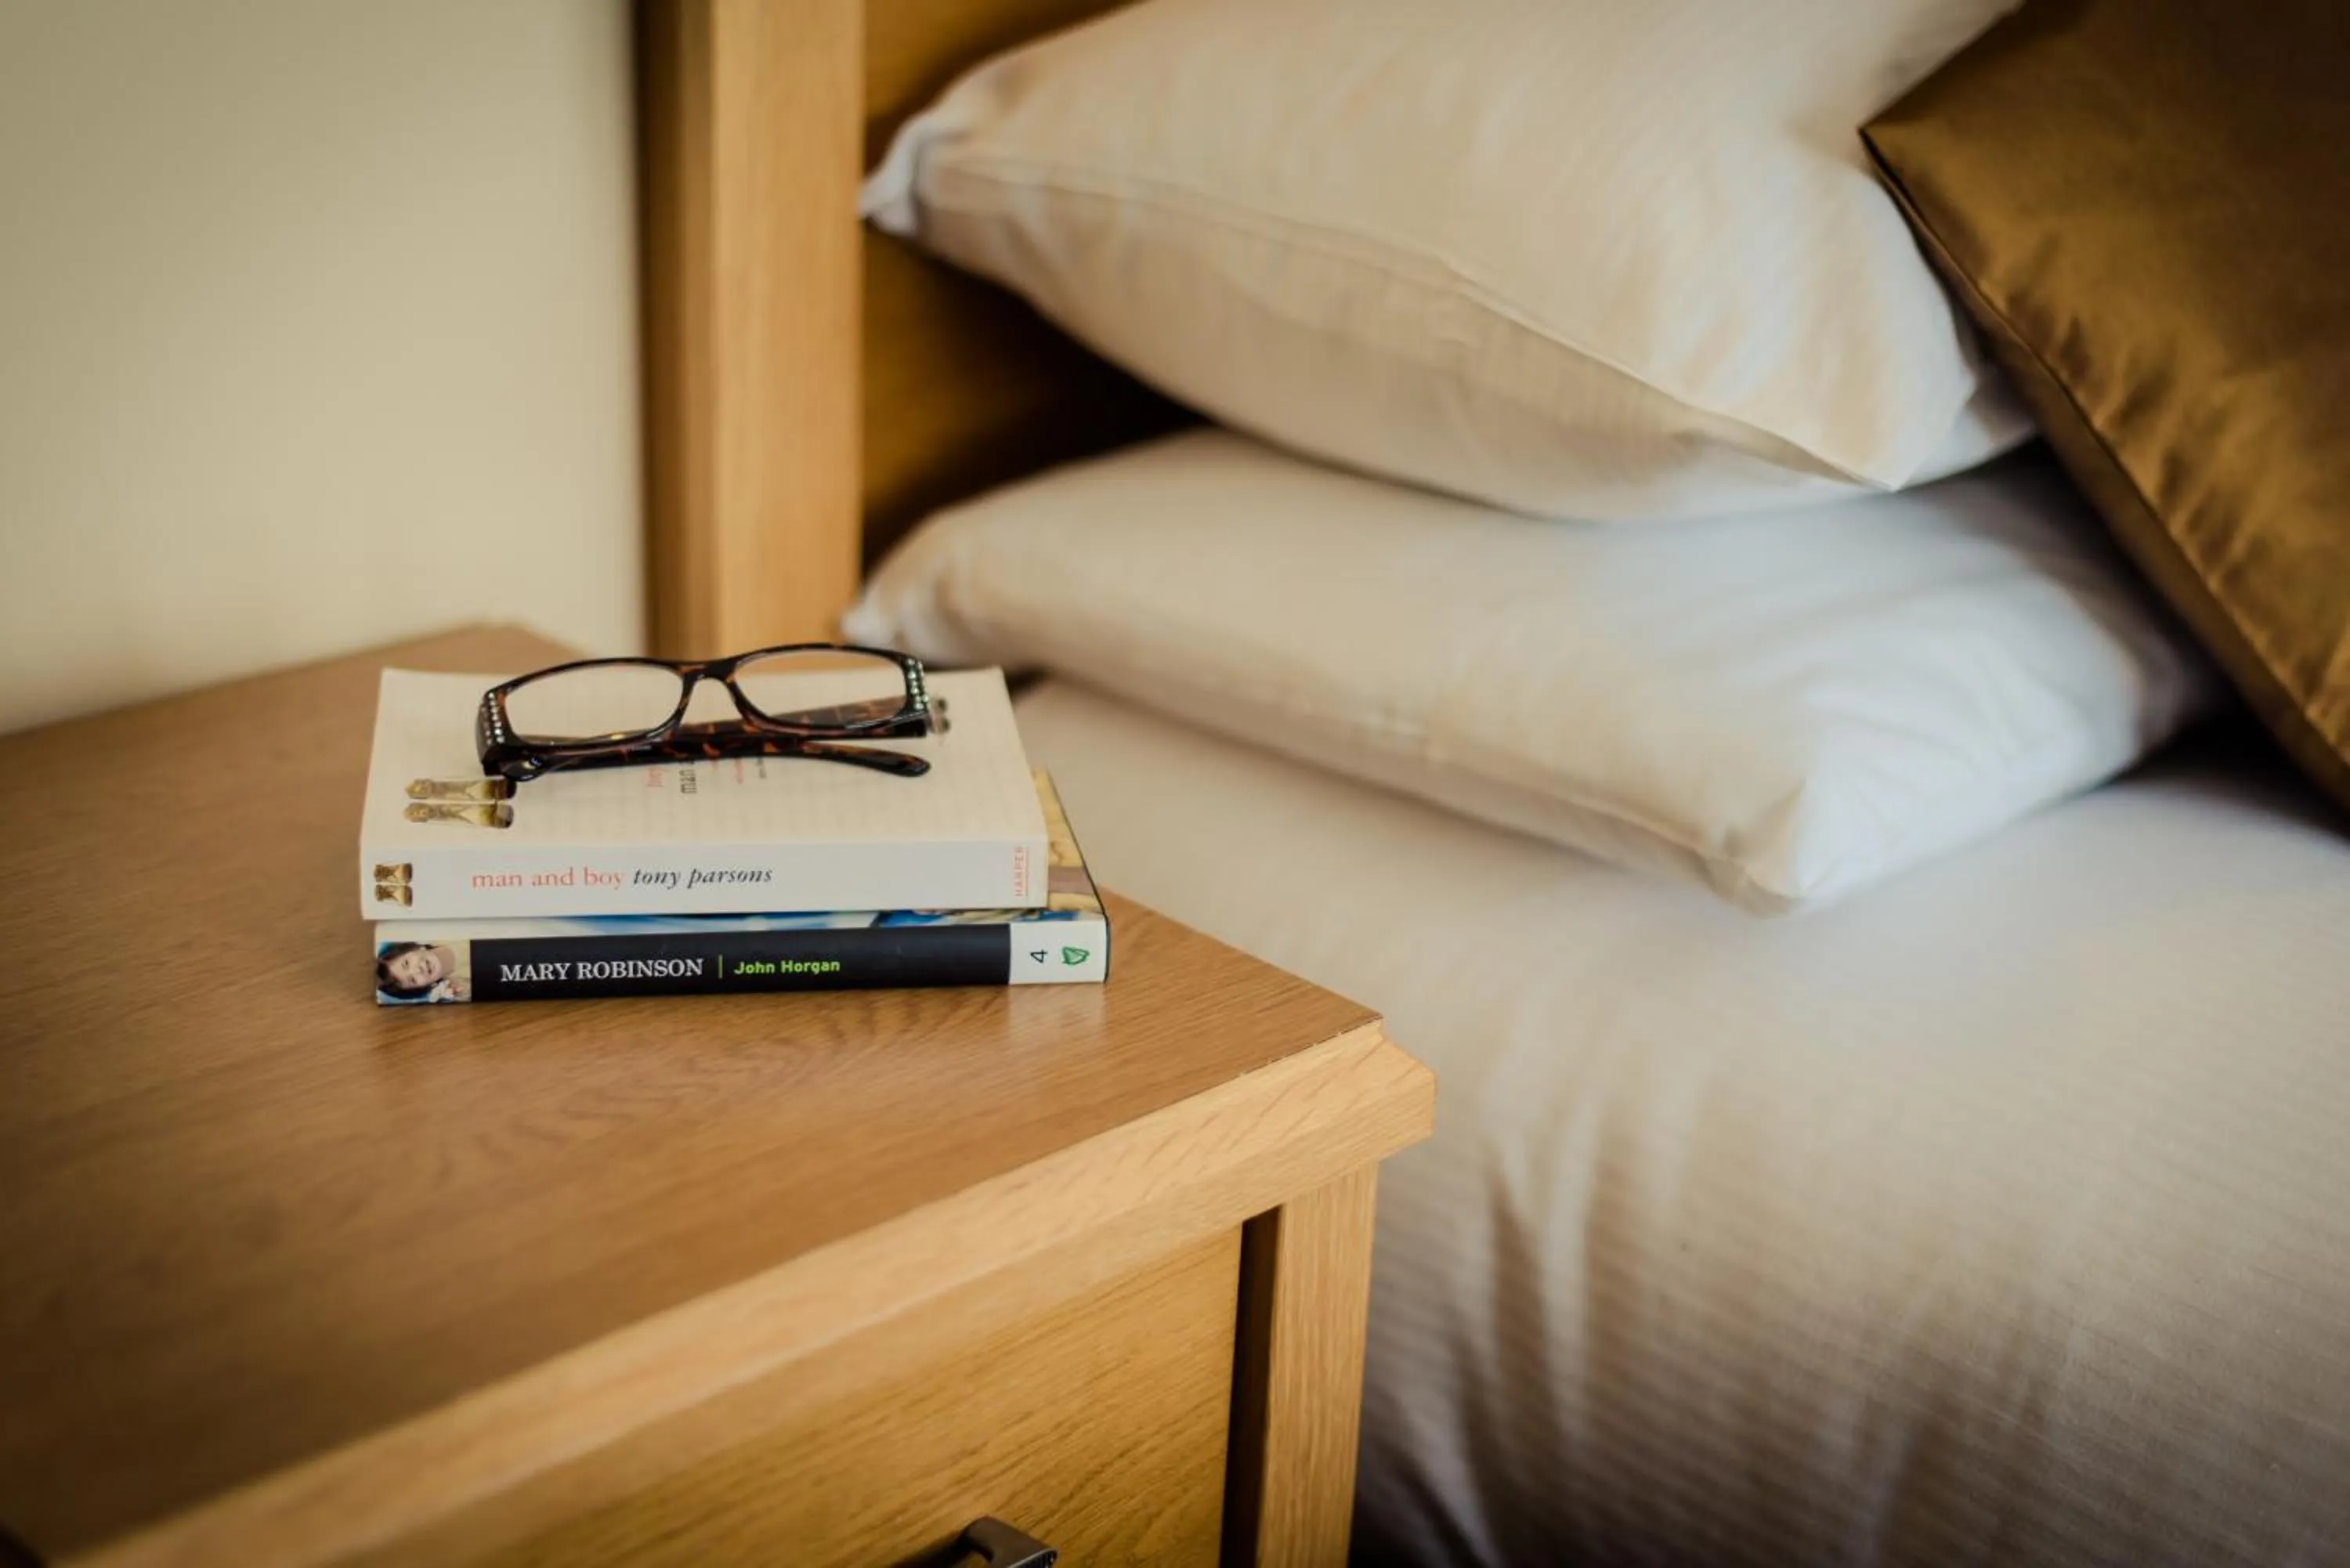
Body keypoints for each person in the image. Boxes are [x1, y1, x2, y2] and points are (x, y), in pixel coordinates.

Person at [376, 941, 471, 1003]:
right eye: (413, 980)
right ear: (425, 987)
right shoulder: (462, 986)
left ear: (415, 948)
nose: (418, 970)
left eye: (407, 963)